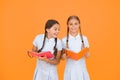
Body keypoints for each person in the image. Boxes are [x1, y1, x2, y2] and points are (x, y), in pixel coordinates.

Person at [61, 15, 90, 80]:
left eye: (76, 24)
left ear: (79, 25)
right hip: (70, 70)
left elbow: (88, 56)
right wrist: (66, 54)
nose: (73, 26)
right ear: (68, 25)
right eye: (71, 24)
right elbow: (62, 58)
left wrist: (84, 51)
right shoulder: (63, 40)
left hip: (82, 69)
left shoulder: (84, 38)